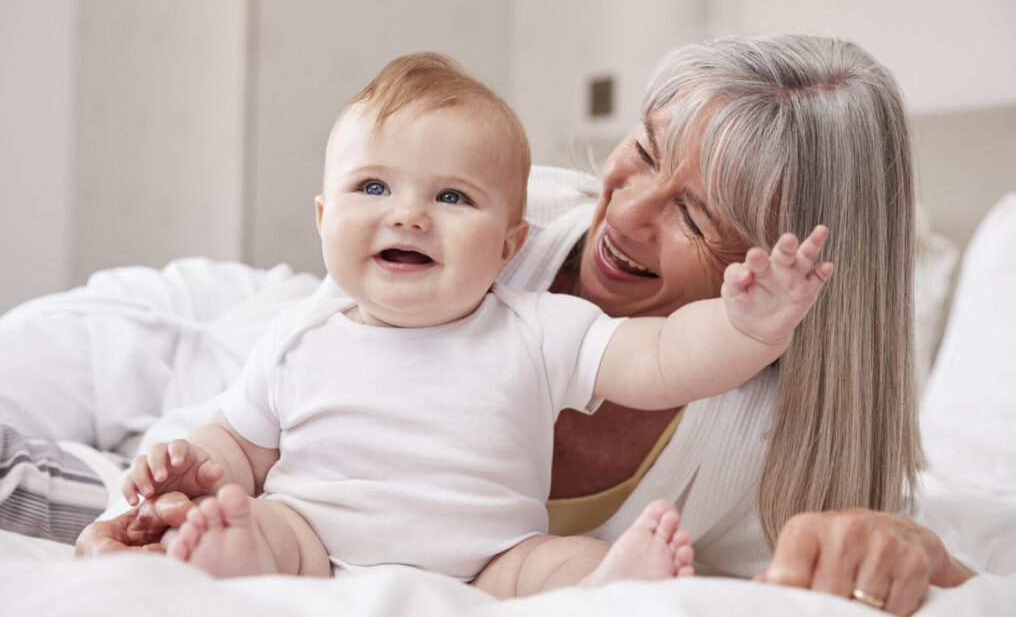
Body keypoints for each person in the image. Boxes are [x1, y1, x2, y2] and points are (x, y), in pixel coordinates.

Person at [0, 35, 973, 615]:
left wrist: (917, 550)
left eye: (694, 216)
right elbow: (232, 422)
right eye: (641, 152)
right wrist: (171, 492)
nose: (621, 213)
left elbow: (685, 363)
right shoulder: (508, 216)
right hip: (228, 332)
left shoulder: (754, 420)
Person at [114, 52, 829, 587]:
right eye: (373, 186)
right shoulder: (301, 337)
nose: (409, 213)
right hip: (317, 539)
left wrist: (749, 327)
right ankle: (232, 554)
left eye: (452, 198)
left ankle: (615, 587)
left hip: (490, 564)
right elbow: (240, 441)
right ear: (324, 220)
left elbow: (666, 356)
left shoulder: (537, 327)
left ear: (509, 244)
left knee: (568, 563)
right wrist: (198, 467)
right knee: (261, 523)